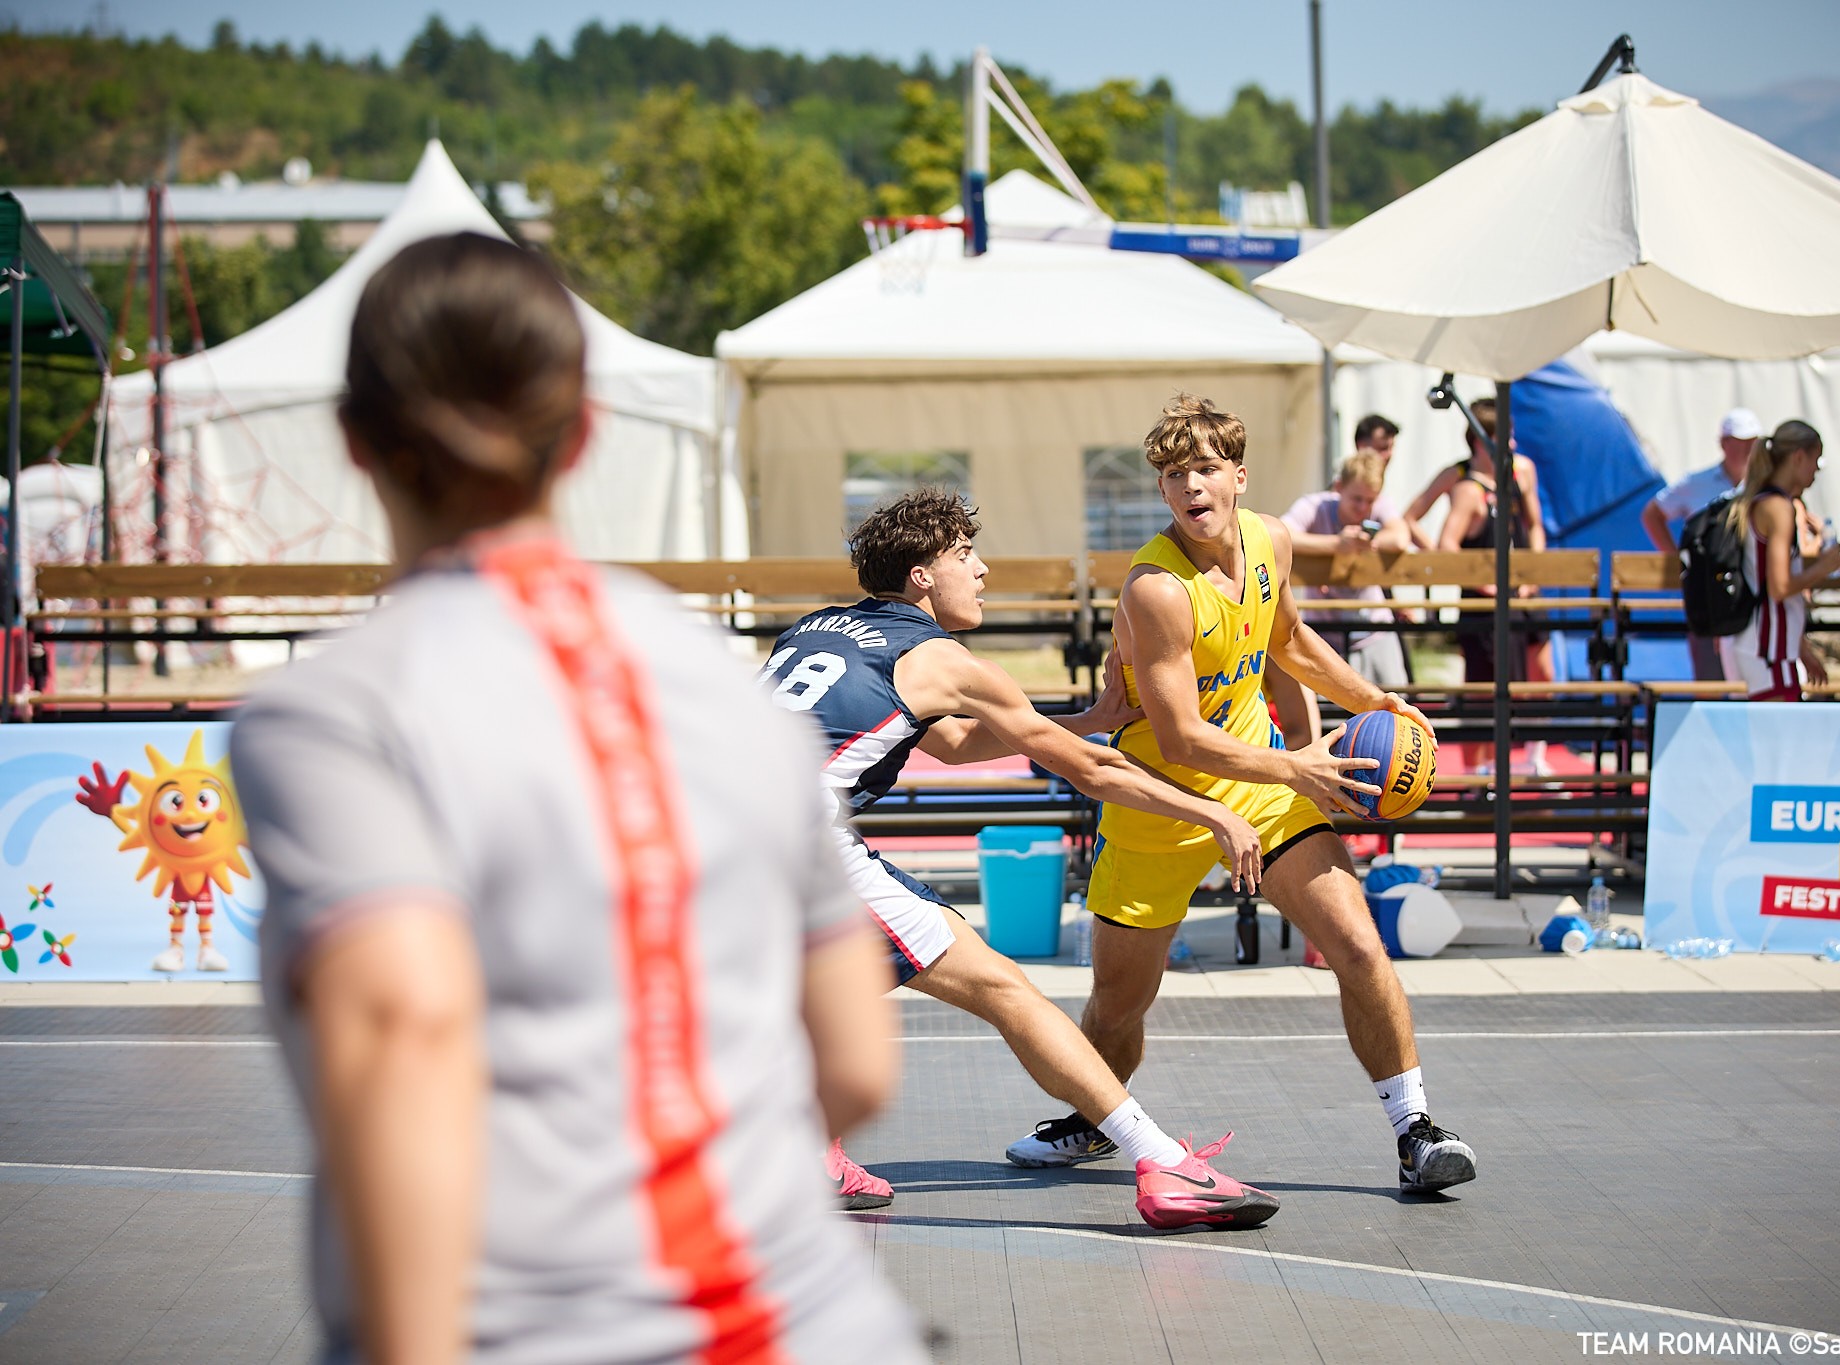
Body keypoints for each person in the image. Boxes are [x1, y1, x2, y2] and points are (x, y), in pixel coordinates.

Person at [233, 234, 925, 1363]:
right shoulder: (731, 683)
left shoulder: (334, 713)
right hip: (808, 1320)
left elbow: (402, 1036)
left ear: (354, 440)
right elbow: (854, 1058)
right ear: (585, 430)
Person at [761, 486, 1280, 1232]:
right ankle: (1163, 1162)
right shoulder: (941, 657)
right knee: (1004, 987)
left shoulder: (813, 630)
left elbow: (951, 742)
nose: (982, 570)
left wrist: (1090, 716)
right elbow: (1093, 772)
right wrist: (1213, 811)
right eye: (964, 555)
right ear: (921, 576)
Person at [1007, 393, 1479, 1196]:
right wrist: (1298, 765)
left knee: (1359, 946)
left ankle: (1416, 1131)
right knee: (1118, 1005)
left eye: (1203, 468)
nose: (1189, 485)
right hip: (1162, 800)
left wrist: (1375, 699)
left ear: (1239, 476)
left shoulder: (1271, 541)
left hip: (1259, 782)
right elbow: (1182, 737)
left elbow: (1288, 639)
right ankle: (1092, 1116)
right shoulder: (1157, 588)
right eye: (1172, 474)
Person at [1433, 399, 1553, 773]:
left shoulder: (1521, 471)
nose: (1513, 443)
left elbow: (1535, 525)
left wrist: (1533, 573)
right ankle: (1475, 774)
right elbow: (1445, 543)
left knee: (1541, 676)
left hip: (1523, 594)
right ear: (1482, 441)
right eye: (1506, 437)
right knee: (1483, 690)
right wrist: (1484, 585)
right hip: (1484, 604)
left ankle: (1534, 758)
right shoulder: (1465, 484)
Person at [1720, 419, 1840, 700]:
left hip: (1767, 645)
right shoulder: (1778, 507)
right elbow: (1779, 587)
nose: (1816, 471)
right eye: (1815, 460)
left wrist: (1801, 649)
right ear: (1798, 457)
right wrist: (1824, 567)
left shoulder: (1766, 501)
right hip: (1768, 648)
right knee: (1780, 729)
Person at [1280, 449, 1414, 697]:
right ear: (1339, 488)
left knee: (1397, 702)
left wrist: (1362, 544)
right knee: (1326, 709)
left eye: (1370, 501)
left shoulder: (1380, 505)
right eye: (1357, 499)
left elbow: (1400, 537)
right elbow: (1280, 533)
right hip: (1323, 633)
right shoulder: (1315, 506)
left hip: (1374, 630)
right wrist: (1335, 545)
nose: (1363, 507)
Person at [1641, 407, 1760, 681]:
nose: (1747, 449)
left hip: (1750, 599)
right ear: (1724, 444)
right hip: (1710, 598)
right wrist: (1677, 559)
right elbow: (1652, 514)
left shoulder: (1764, 488)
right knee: (1711, 685)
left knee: (1753, 687)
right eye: (1740, 442)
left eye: (1752, 442)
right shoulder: (1698, 483)